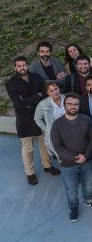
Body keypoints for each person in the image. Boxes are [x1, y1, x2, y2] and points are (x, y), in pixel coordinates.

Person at [6, 56, 59, 185]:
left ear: (27, 65)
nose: (22, 67)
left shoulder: (36, 77)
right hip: (24, 119)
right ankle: (30, 173)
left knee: (44, 143)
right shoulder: (10, 83)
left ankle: (47, 166)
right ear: (15, 67)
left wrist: (28, 101)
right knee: (27, 148)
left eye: (23, 65)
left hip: (40, 115)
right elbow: (18, 103)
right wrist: (36, 97)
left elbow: (44, 94)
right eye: (19, 66)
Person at [50, 93, 92, 221]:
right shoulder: (57, 124)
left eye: (76, 104)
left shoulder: (86, 119)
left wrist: (86, 155)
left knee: (89, 184)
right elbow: (57, 147)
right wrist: (75, 157)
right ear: (64, 105)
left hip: (87, 161)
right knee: (71, 189)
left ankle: (89, 200)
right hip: (68, 164)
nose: (73, 106)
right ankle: (73, 207)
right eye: (70, 104)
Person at [34, 83, 65, 165]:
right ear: (48, 93)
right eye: (51, 90)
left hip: (70, 130)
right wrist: (46, 129)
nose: (55, 91)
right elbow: (37, 119)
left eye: (56, 88)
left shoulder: (67, 99)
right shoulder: (43, 104)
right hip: (56, 133)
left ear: (59, 88)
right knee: (61, 155)